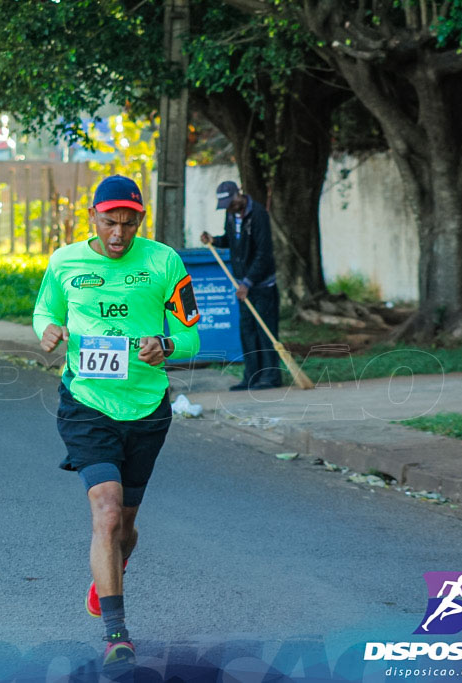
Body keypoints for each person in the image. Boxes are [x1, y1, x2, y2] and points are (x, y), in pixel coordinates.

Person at [33, 175, 200, 671]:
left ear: (140, 222)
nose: (119, 234)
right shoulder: (66, 261)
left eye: (130, 223)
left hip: (147, 408)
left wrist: (166, 345)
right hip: (86, 402)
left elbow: (191, 337)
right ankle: (116, 635)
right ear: (92, 216)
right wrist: (49, 330)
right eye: (110, 222)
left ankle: (115, 563)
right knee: (105, 514)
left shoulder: (164, 262)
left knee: (125, 526)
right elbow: (45, 307)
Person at [201, 180, 281, 391]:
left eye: (232, 202)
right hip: (244, 287)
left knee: (266, 331)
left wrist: (248, 282)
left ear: (239, 194)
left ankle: (271, 377)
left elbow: (264, 253)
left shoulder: (259, 216)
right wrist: (214, 240)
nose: (230, 207)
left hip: (262, 286)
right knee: (247, 331)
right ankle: (252, 376)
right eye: (226, 204)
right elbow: (231, 240)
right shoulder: (230, 214)